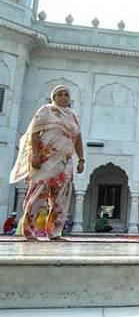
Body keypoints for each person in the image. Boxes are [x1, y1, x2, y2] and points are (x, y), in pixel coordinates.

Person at [9, 85, 84, 240]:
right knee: (38, 195)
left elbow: (78, 139)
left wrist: (81, 159)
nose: (63, 97)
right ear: (54, 97)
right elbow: (34, 133)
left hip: (64, 163)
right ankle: (29, 231)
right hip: (45, 160)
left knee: (61, 199)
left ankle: (55, 232)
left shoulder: (73, 116)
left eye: (66, 95)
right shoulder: (46, 110)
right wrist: (35, 154)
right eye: (59, 95)